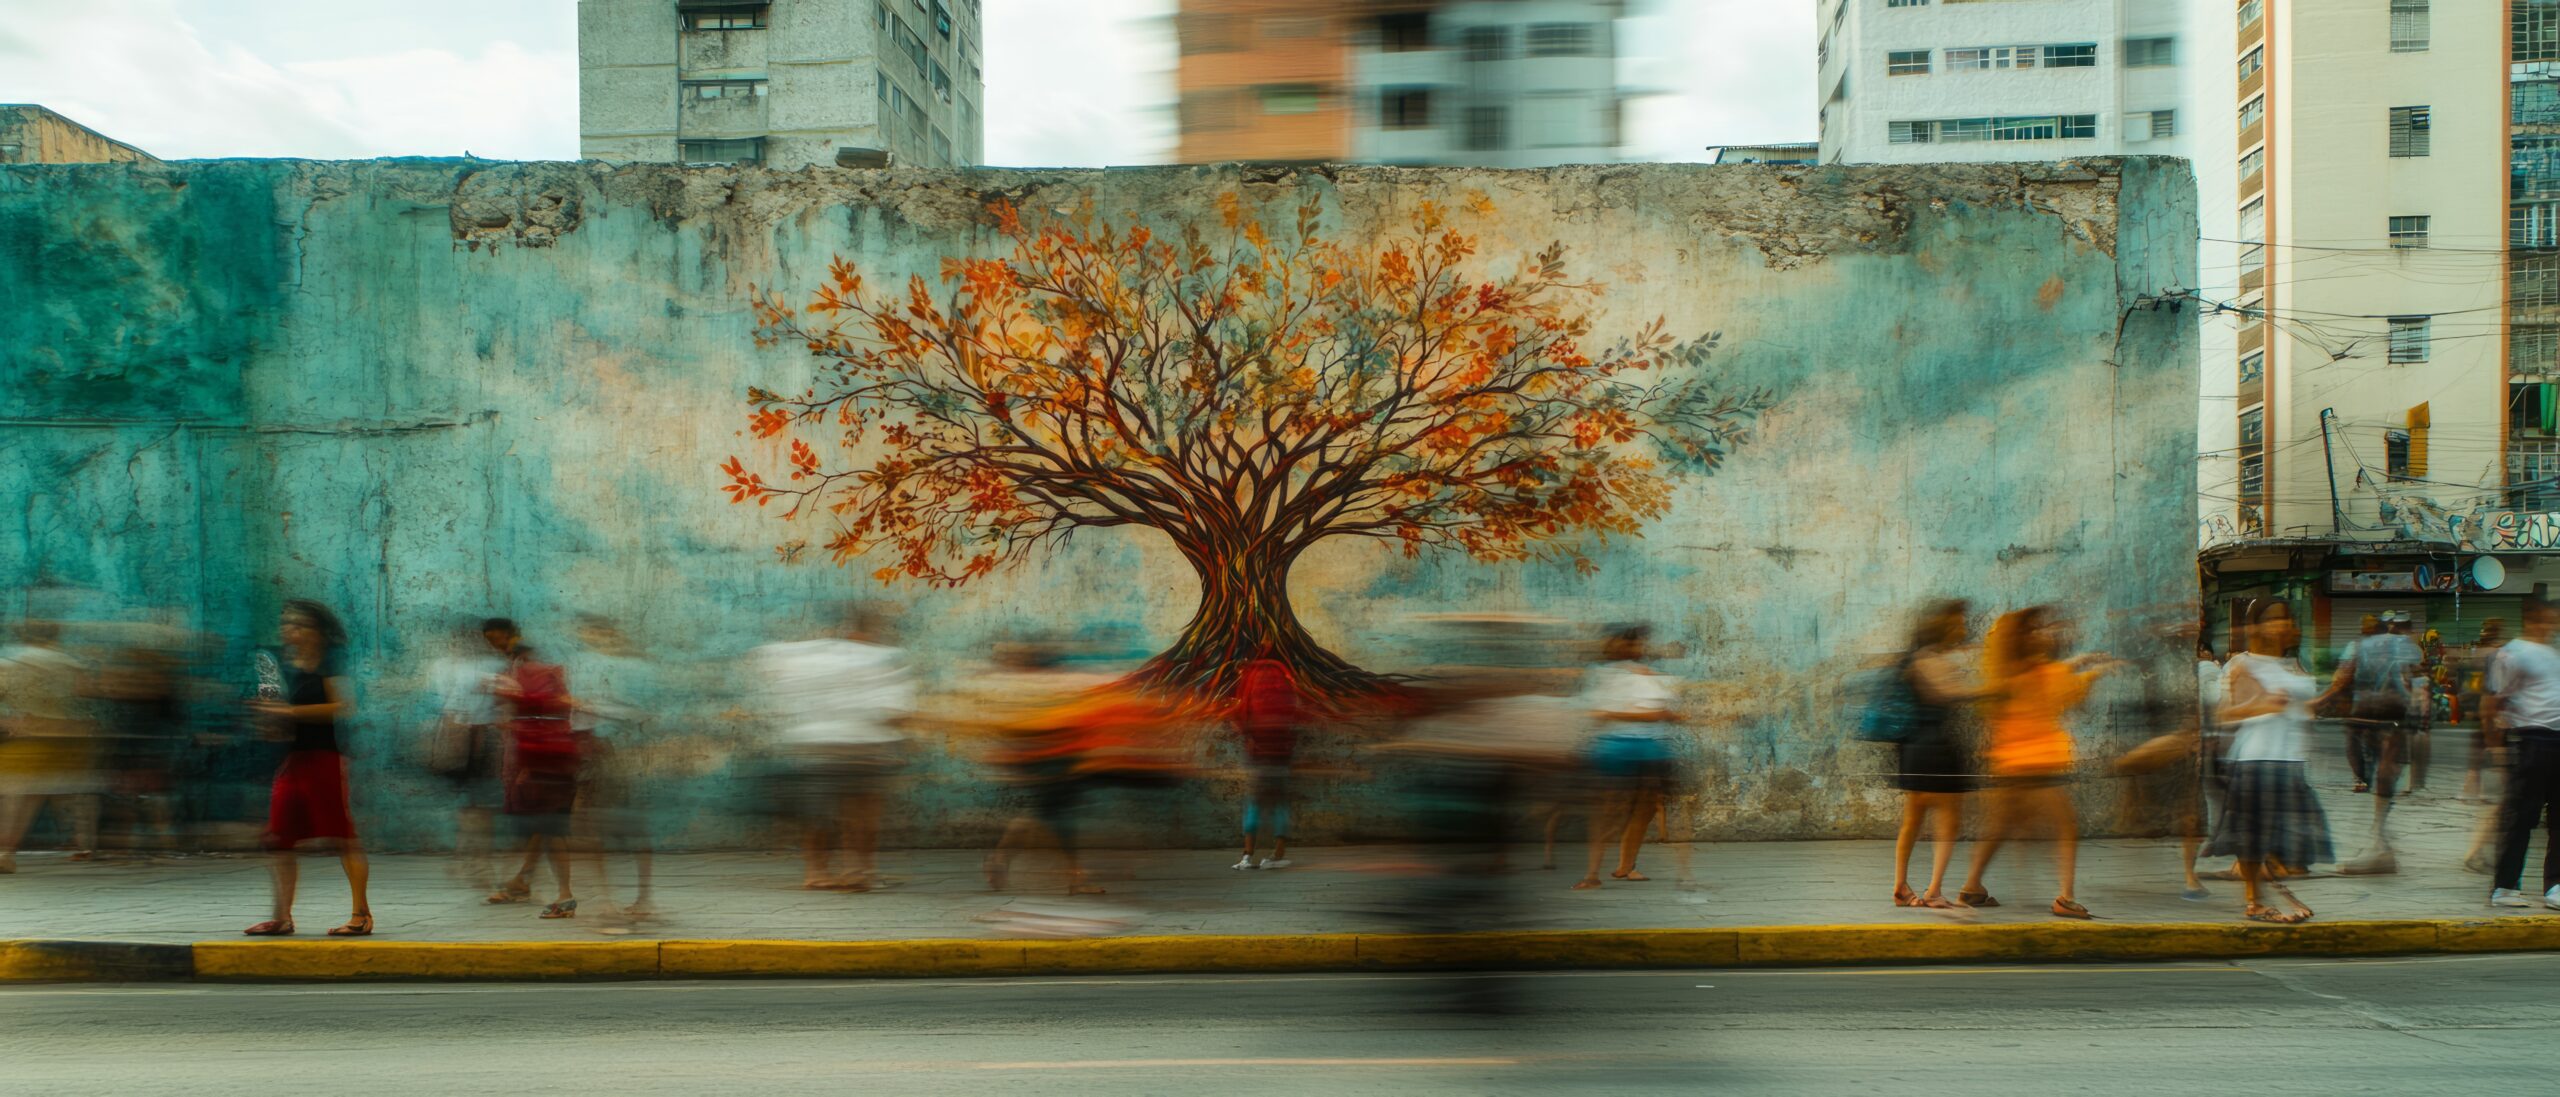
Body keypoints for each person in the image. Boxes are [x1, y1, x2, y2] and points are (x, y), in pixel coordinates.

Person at [1955, 605, 2121, 919]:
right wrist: (2094, 673)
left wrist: (2082, 666)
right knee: (2065, 828)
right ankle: (2066, 897)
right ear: (2024, 638)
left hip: (2009, 765)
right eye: (2035, 631)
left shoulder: (2006, 674)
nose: (2042, 635)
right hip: (2038, 766)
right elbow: (2070, 694)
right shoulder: (2039, 674)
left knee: (1998, 830)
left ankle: (1972, 888)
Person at [751, 606, 914, 892]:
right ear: (871, 630)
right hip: (861, 749)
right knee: (862, 814)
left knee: (819, 815)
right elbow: (894, 711)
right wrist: (905, 741)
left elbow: (769, 659)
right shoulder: (881, 658)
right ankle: (857, 870)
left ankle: (816, 872)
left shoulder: (817, 655)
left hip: (814, 748)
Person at [242, 600, 373, 937]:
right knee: (279, 837)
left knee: (342, 836)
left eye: (298, 624)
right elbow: (271, 706)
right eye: (286, 623)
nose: (289, 630)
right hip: (292, 760)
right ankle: (282, 917)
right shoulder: (276, 664)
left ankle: (361, 914)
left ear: (317, 631)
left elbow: (342, 706)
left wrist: (289, 714)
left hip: (323, 759)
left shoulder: (331, 661)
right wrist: (267, 716)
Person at [2207, 600, 2333, 924]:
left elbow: (2303, 710)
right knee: (2253, 836)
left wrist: (2327, 699)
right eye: (2272, 619)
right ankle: (2256, 902)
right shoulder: (2241, 664)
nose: (2280, 625)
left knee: (2290, 846)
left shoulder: (2293, 665)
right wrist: (2261, 705)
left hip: (2290, 761)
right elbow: (2224, 714)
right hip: (2256, 758)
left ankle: (2274, 893)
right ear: (2257, 626)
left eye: (2286, 619)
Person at [1572, 624, 1689, 891]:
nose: (1636, 649)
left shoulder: (1648, 674)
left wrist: (1657, 714)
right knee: (1609, 811)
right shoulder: (1604, 675)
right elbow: (1599, 712)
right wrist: (1640, 714)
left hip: (1650, 747)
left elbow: (1662, 711)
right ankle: (1592, 874)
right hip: (1616, 747)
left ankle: (1626, 866)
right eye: (1629, 644)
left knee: (1645, 809)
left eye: (1638, 644)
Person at [1888, 599, 1983, 910]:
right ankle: (1933, 891)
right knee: (1947, 821)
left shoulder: (1913, 658)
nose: (1963, 627)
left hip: (1913, 747)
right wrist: (1993, 690)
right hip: (1936, 747)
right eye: (1958, 622)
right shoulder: (1931, 658)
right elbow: (1948, 693)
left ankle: (1901, 886)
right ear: (1944, 626)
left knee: (1912, 821)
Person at [486, 645, 580, 918]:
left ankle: (562, 895)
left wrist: (525, 769)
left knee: (548, 832)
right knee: (548, 832)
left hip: (544, 772)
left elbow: (529, 721)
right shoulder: (550, 691)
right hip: (555, 769)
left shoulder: (532, 691)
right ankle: (525, 883)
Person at [0, 620, 100, 872]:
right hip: (66, 738)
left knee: (15, 796)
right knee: (51, 794)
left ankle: (6, 851)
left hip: (28, 738)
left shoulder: (12, 662)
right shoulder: (68, 662)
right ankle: (83, 844)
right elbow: (85, 694)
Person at [2484, 598, 2560, 909]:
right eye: (2547, 619)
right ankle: (2505, 887)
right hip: (2532, 740)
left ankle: (2555, 886)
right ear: (2531, 619)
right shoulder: (2512, 652)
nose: (2551, 626)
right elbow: (2493, 703)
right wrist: (2497, 750)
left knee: (2558, 820)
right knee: (2521, 818)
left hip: (2557, 741)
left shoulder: (2554, 652)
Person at [2334, 612, 2420, 874]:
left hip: (2380, 715)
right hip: (2377, 715)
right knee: (2383, 775)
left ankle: (2379, 845)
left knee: (2384, 775)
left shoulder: (2372, 646)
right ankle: (2379, 843)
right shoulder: (2404, 647)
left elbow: (2344, 675)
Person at [425, 620, 507, 892]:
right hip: (463, 738)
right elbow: (445, 703)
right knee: (476, 805)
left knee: (477, 805)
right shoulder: (446, 667)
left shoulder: (490, 664)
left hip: (478, 738)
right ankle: (474, 861)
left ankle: (469, 859)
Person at [1232, 654, 1303, 871]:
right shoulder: (1284, 679)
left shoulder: (1249, 680)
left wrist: (1247, 735)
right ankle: (1277, 855)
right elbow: (1297, 714)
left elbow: (1240, 715)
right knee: (1280, 803)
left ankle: (1247, 857)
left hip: (1257, 753)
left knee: (1253, 802)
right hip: (1281, 752)